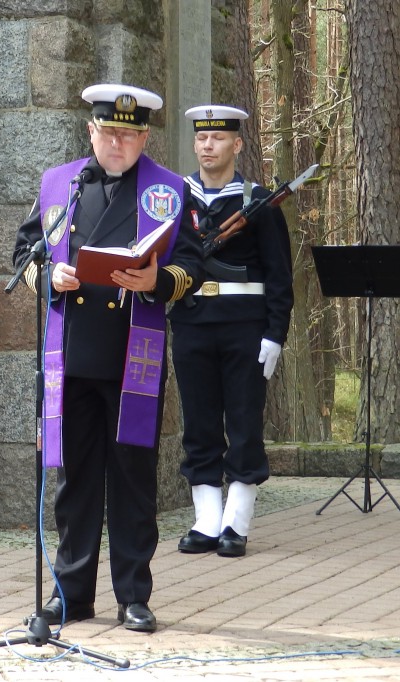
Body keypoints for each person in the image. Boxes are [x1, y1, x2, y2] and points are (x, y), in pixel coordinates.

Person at [13, 84, 204, 632]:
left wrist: (157, 281)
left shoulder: (169, 190)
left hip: (132, 356)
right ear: (90, 131)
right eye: (109, 132)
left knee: (132, 479)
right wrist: (49, 275)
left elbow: (193, 266)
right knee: (75, 481)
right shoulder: (59, 184)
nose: (118, 143)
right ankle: (71, 595)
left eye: (130, 134)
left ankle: (133, 596)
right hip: (72, 355)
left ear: (145, 138)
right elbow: (25, 252)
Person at [169, 105, 293, 558]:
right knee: (199, 423)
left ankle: (235, 521)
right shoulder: (175, 198)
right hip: (192, 322)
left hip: (245, 327)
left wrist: (275, 334)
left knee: (243, 422)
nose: (208, 146)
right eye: (202, 138)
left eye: (218, 138)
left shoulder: (258, 202)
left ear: (237, 145)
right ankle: (206, 519)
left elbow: (279, 275)